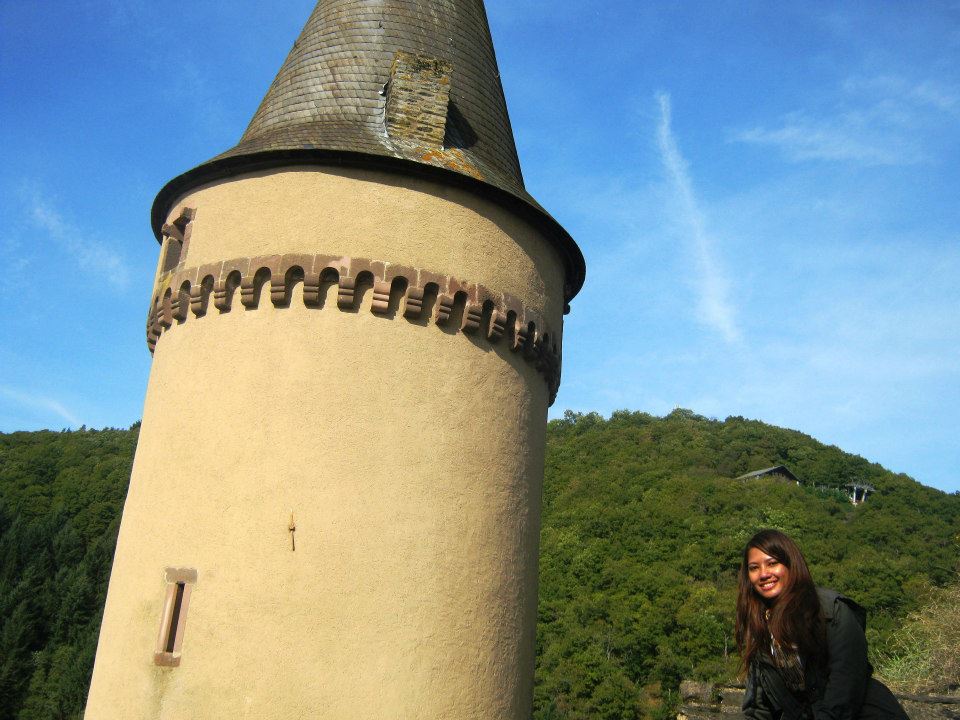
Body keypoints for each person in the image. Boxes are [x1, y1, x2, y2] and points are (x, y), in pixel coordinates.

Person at [736, 529, 908, 720]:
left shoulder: (832, 612)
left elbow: (845, 690)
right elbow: (758, 706)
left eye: (772, 563)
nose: (763, 574)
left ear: (791, 565)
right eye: (754, 568)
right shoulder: (760, 629)